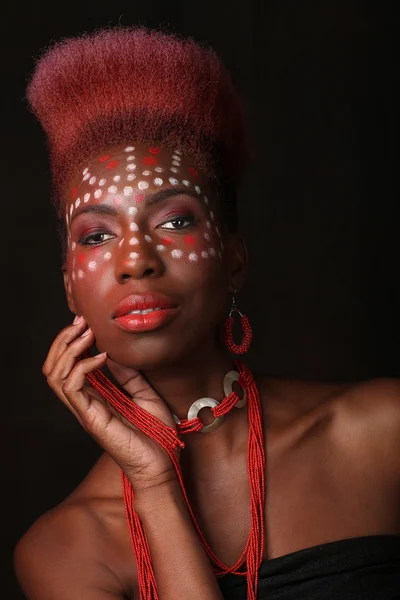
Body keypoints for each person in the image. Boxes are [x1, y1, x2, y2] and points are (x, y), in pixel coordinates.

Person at [14, 26, 400, 600]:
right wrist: (155, 483)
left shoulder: (382, 434)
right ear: (70, 286)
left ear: (235, 259)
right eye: (97, 235)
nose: (136, 260)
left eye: (174, 221)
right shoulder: (62, 551)